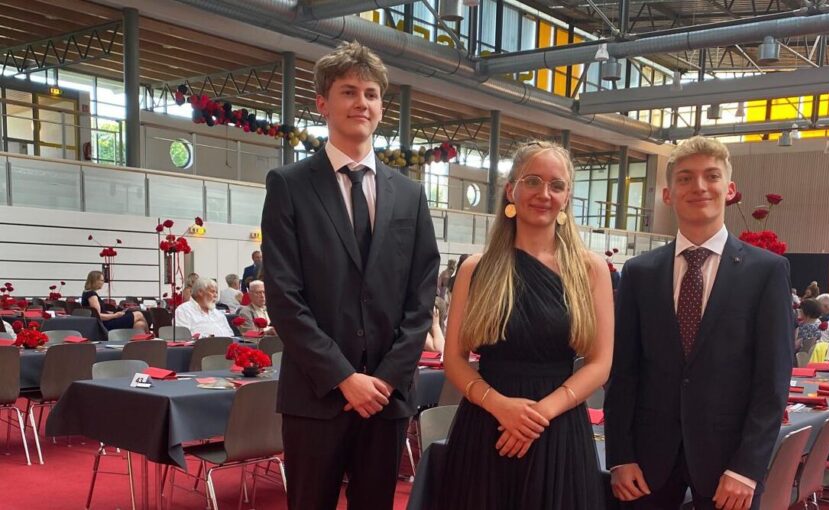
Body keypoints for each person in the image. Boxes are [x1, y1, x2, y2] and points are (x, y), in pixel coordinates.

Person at [261, 41, 439, 510]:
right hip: (316, 393)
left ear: (381, 107)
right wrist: (343, 376)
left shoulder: (410, 195)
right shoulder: (289, 185)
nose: (362, 102)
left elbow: (422, 295)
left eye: (371, 94)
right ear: (323, 103)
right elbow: (284, 296)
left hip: (386, 396)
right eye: (349, 92)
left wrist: (386, 378)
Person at [606, 136, 792, 510]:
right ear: (668, 194)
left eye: (711, 176)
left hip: (729, 463)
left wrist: (747, 468)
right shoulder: (640, 272)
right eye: (685, 178)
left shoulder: (766, 271)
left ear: (730, 189)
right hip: (646, 461)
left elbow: (772, 380)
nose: (699, 187)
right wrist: (620, 456)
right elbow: (623, 372)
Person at [439, 140, 613, 509]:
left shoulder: (590, 269)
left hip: (559, 425)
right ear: (510, 190)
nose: (544, 194)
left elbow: (600, 363)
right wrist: (501, 407)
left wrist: (540, 414)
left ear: (567, 197)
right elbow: (453, 360)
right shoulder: (475, 268)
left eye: (556, 185)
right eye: (532, 181)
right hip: (487, 423)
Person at [82, 270, 148, 331]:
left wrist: (108, 313)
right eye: (101, 280)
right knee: (139, 314)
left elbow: (97, 313)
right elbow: (98, 316)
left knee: (140, 324)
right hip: (106, 324)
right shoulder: (92, 295)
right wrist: (115, 315)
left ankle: (137, 338)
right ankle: (150, 336)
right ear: (95, 281)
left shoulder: (86, 293)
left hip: (105, 322)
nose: (103, 282)